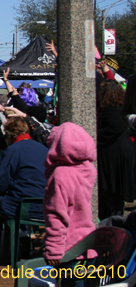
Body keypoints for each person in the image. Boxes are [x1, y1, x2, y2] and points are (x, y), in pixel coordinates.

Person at [0, 117, 48, 267]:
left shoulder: (13, 150)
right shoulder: (44, 149)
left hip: (22, 207)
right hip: (47, 206)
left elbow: (0, 183)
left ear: (10, 136)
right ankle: (6, 248)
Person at [42, 123, 96, 266]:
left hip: (68, 247)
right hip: (87, 242)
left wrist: (54, 247)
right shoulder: (88, 169)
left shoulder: (61, 175)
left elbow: (57, 214)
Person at [97, 79, 135, 220]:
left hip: (114, 160)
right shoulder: (113, 110)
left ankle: (114, 225)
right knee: (110, 198)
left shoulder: (114, 111)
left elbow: (114, 129)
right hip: (113, 157)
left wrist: (93, 134)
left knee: (113, 197)